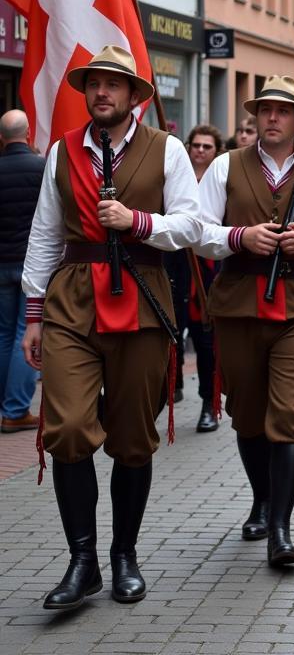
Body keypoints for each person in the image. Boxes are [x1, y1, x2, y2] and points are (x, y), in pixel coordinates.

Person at [21, 46, 201, 609]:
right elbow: (45, 232)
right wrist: (32, 312)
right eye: (94, 84)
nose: (101, 92)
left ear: (133, 97)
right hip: (72, 298)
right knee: (69, 427)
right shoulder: (61, 152)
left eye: (113, 84)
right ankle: (83, 560)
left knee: (131, 437)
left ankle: (124, 554)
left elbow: (192, 224)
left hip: (143, 298)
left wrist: (137, 221)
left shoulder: (166, 149)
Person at [196, 76, 294, 567]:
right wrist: (239, 237)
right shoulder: (225, 166)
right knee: (246, 412)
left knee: (290, 415)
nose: (271, 117)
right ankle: (261, 499)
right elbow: (196, 230)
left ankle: (281, 528)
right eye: (264, 109)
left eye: (282, 111)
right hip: (239, 301)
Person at [166, 124, 223, 431]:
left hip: (208, 271)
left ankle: (208, 404)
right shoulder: (176, 177)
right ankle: (171, 385)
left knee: (205, 342)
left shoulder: (221, 181)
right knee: (170, 335)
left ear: (217, 152)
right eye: (196, 145)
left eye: (207, 146)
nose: (200, 151)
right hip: (176, 267)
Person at [0, 110, 45, 434]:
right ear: (29, 134)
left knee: (3, 335)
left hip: (2, 263)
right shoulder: (41, 168)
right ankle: (15, 410)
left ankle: (6, 406)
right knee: (24, 333)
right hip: (32, 264)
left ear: (2, 138)